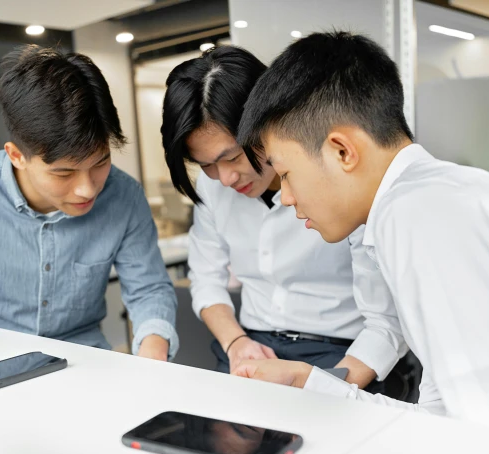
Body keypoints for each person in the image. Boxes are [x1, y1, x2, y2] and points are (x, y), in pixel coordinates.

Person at [233, 31, 489, 444]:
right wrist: (313, 383)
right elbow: (444, 418)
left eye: (285, 173)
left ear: (342, 151)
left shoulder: (421, 217)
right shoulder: (426, 200)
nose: (285, 197)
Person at [0, 45, 178, 361]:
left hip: (84, 363)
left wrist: (154, 350)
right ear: (16, 155)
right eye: (64, 172)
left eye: (101, 162)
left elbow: (149, 290)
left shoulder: (124, 196)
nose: (87, 189)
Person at [161, 46, 406, 388]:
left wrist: (331, 387)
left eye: (232, 157)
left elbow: (388, 320)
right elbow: (205, 279)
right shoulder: (213, 187)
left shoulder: (337, 181)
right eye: (206, 165)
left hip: (339, 351)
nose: (225, 178)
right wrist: (236, 343)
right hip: (250, 345)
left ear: (267, 123)